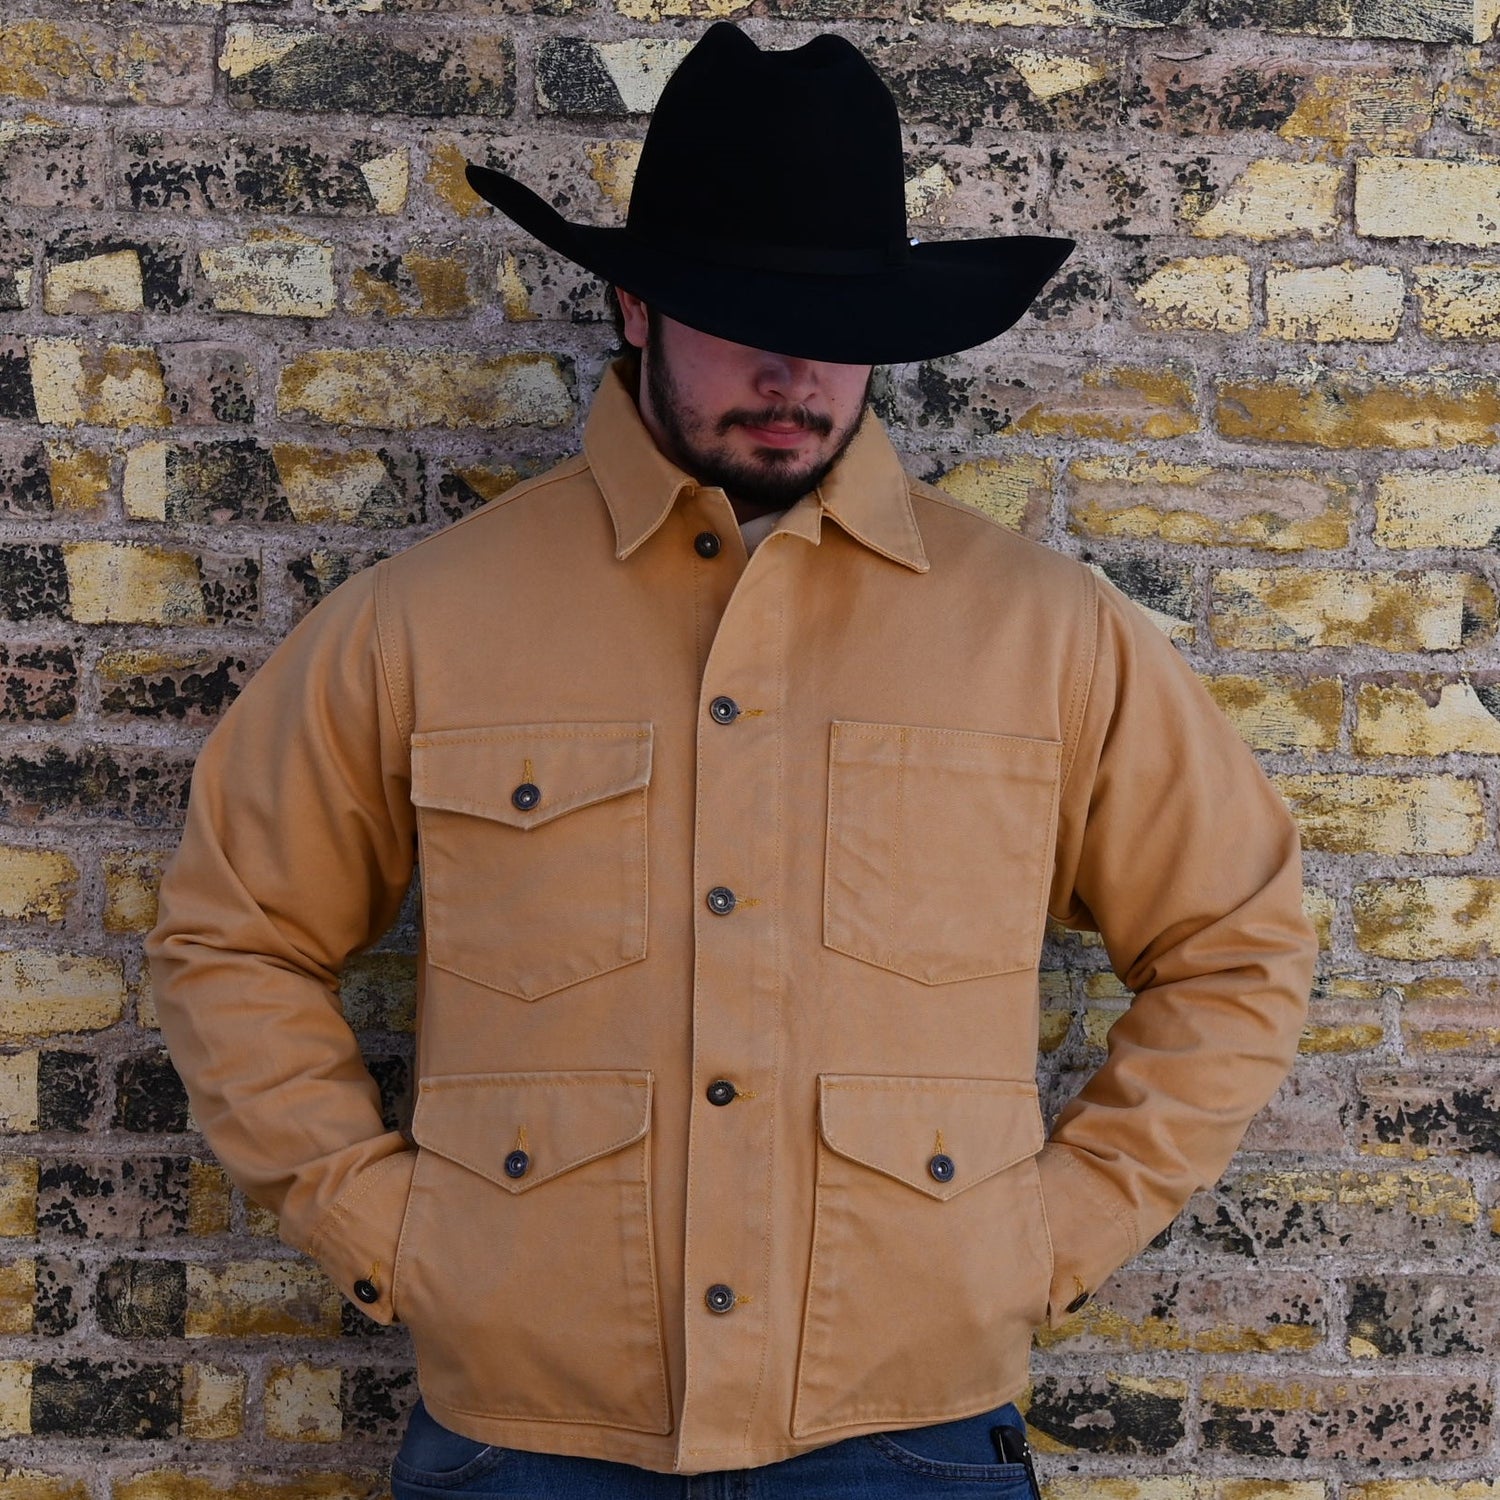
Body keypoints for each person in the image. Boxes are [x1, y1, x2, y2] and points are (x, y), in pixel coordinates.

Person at [146, 22, 1317, 1499]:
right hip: (530, 1436)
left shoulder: (1046, 636)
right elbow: (232, 938)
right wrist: (391, 1238)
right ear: (635, 305)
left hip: (906, 1434)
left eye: (834, 327)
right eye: (740, 314)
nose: (792, 372)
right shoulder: (423, 625)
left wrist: (1047, 1239)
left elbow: (1238, 943)